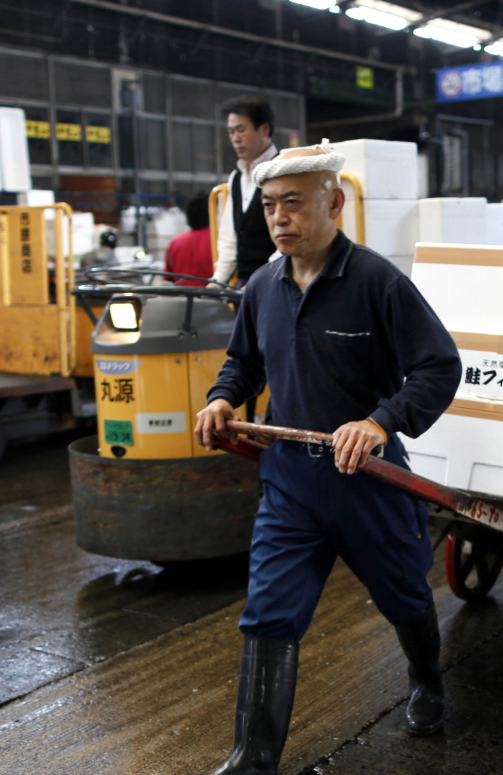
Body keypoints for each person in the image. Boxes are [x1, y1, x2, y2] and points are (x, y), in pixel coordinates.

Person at [192, 143, 462, 775]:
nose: (280, 218)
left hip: (367, 478)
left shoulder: (376, 281)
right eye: (269, 206)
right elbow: (243, 361)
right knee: (269, 610)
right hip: (290, 476)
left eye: (294, 203)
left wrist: (379, 421)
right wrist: (222, 397)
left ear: (333, 204)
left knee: (402, 593)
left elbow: (438, 367)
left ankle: (429, 683)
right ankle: (253, 758)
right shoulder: (262, 285)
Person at [210, 95, 279, 289]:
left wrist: (261, 281)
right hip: (244, 285)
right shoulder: (236, 178)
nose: (235, 139)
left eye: (241, 130)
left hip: (278, 282)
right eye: (231, 132)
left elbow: (292, 241)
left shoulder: (283, 171)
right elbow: (230, 238)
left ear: (264, 129)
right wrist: (217, 282)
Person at [165, 194, 213, 286]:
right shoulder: (219, 240)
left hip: (181, 296)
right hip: (213, 296)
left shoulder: (176, 241)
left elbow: (169, 278)